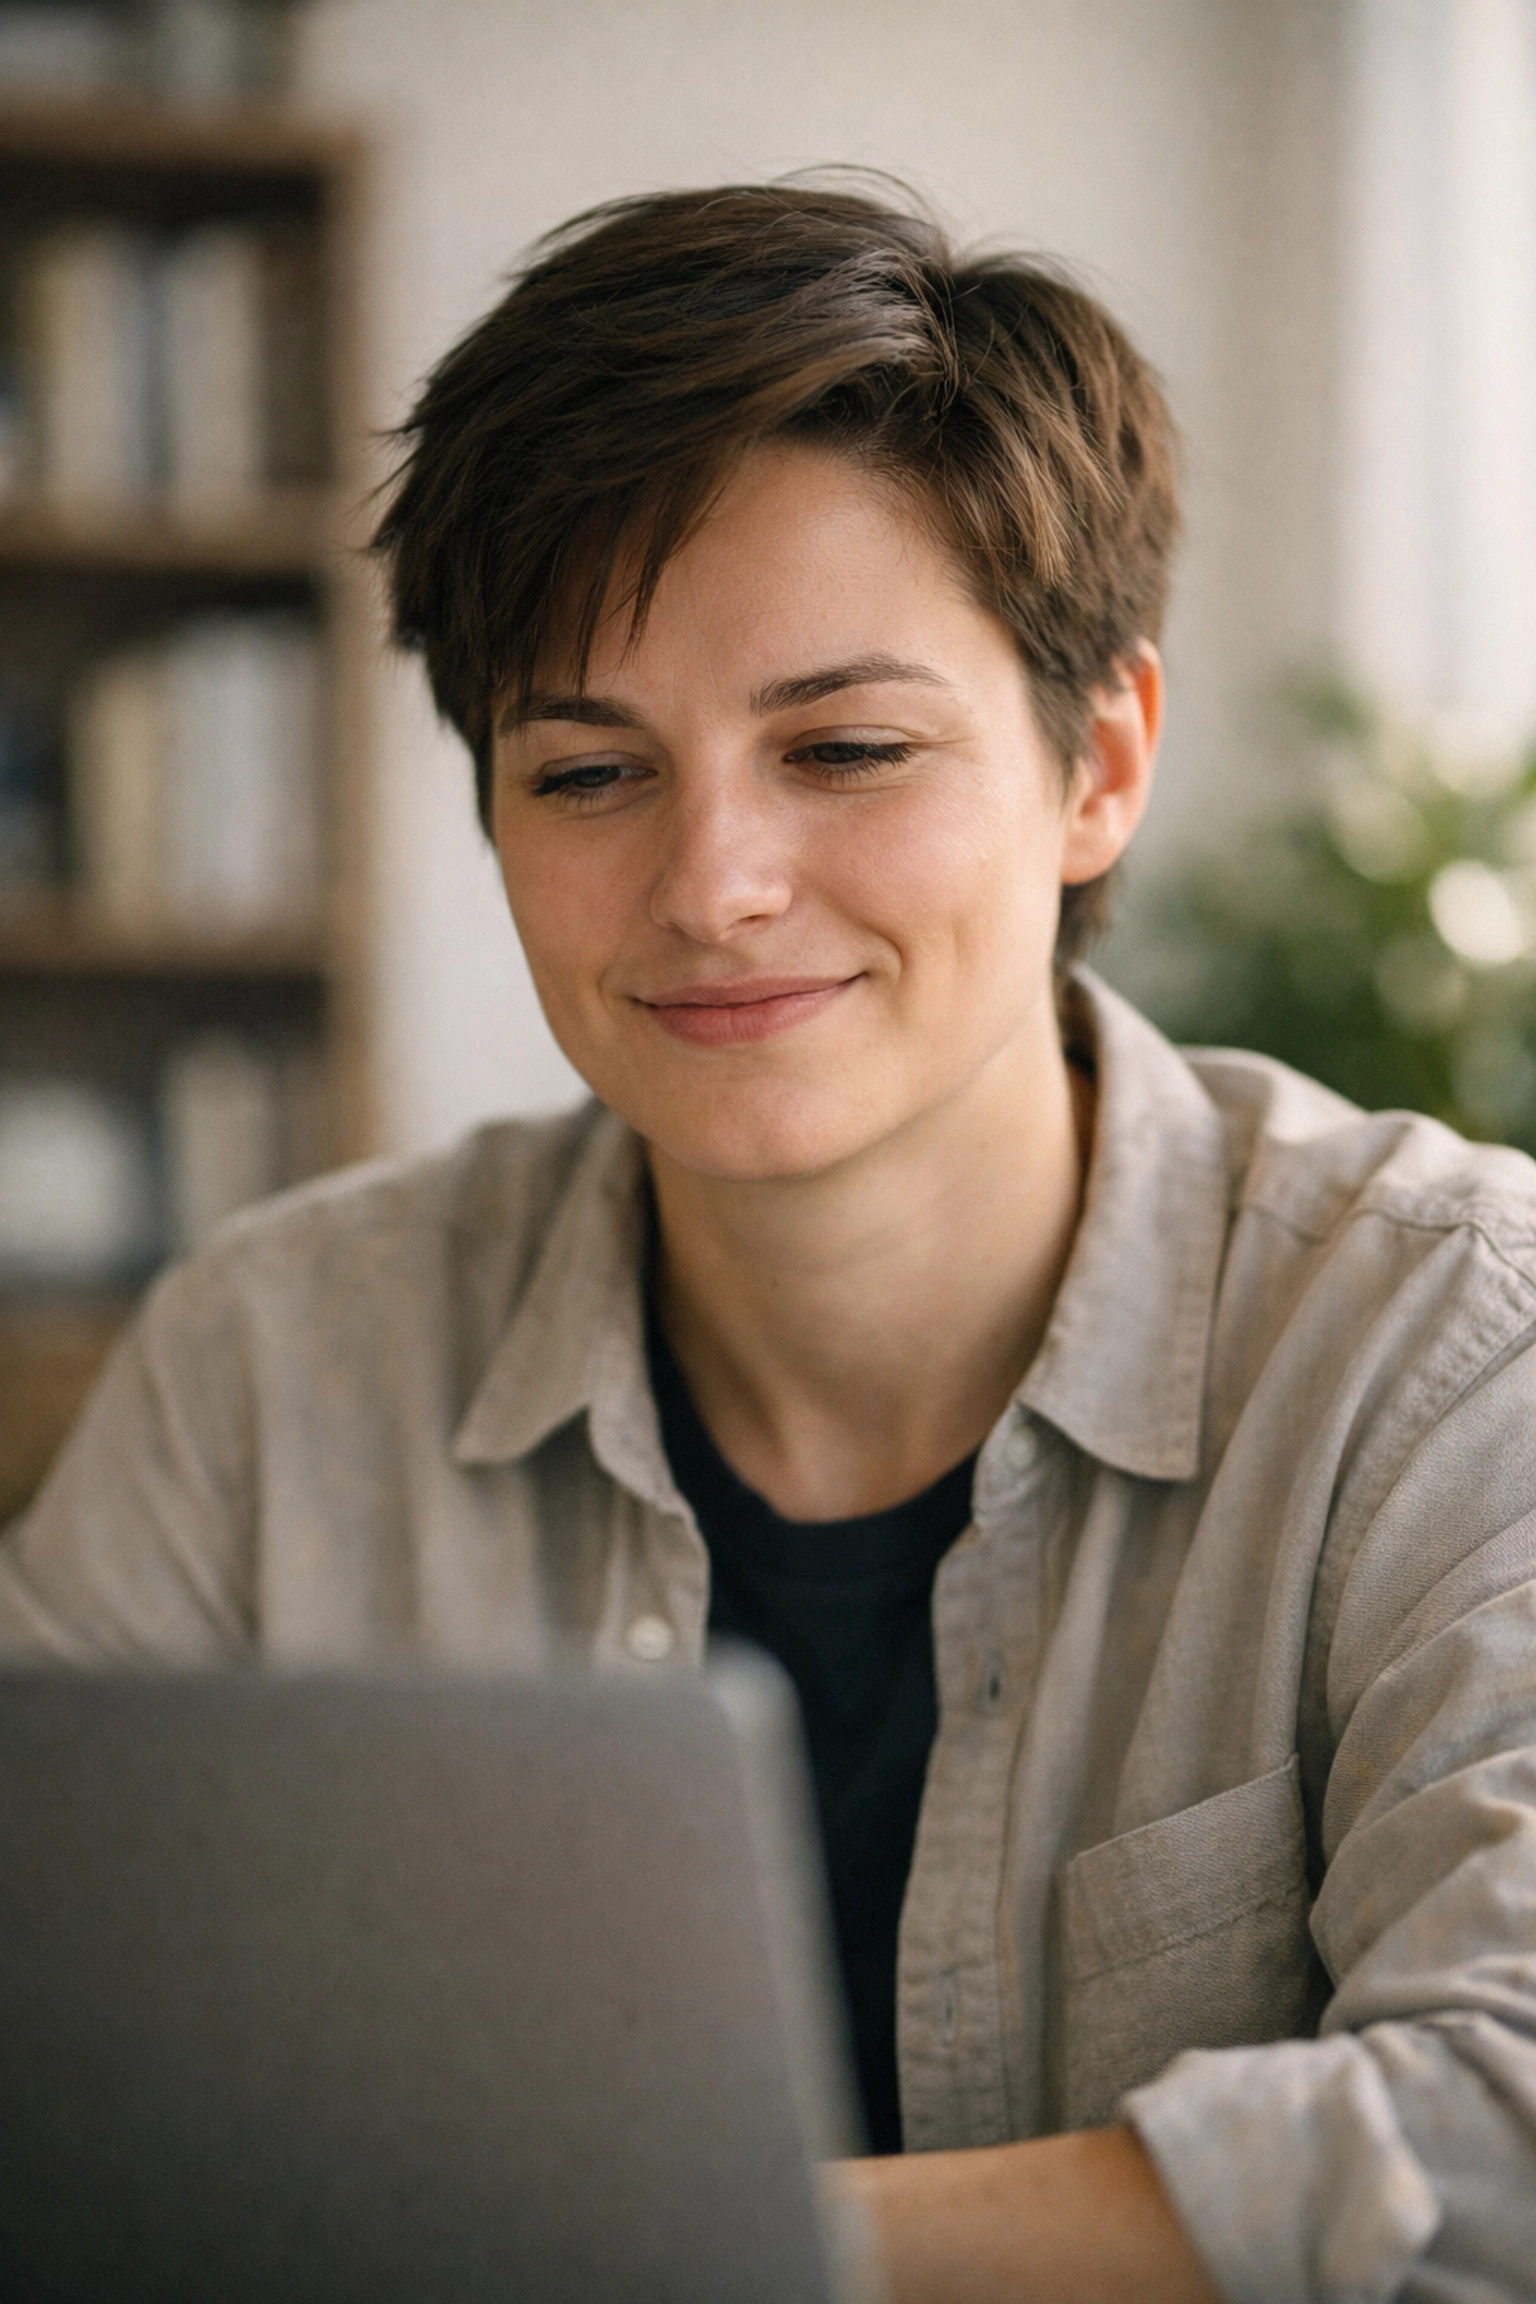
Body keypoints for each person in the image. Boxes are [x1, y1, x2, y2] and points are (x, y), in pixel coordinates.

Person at [4, 181, 1535, 2303]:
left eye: (843, 749)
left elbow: (1503, 2140)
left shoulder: (1451, 1345)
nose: (714, 881)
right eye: (589, 770)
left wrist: (672, 2249)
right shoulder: (277, 1363)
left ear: (1098, 765)